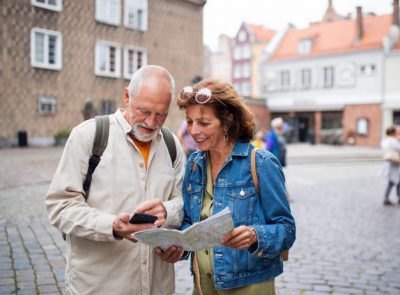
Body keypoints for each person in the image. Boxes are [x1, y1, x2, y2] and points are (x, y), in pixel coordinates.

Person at [45, 65, 186, 294]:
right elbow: (60, 206)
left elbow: (182, 201)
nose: (151, 123)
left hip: (157, 286)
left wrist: (168, 212)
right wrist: (111, 226)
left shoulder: (171, 145)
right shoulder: (88, 136)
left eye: (161, 114)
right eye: (144, 111)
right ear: (127, 96)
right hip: (99, 286)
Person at [155, 79, 296, 294]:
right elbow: (190, 224)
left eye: (203, 123)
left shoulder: (261, 163)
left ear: (227, 121)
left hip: (250, 287)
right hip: (203, 286)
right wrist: (177, 246)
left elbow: (286, 229)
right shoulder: (194, 163)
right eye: (190, 121)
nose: (193, 130)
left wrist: (254, 235)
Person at [381, 125, 400, 206]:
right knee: (393, 181)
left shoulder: (384, 140)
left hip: (389, 161)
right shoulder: (393, 140)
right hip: (393, 162)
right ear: (393, 132)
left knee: (397, 180)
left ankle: (398, 197)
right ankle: (387, 199)